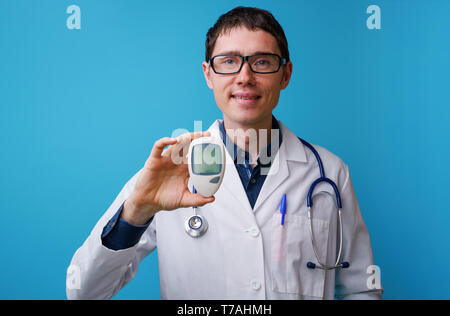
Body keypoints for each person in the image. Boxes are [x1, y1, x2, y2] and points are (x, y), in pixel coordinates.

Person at [66, 6, 383, 300]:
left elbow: (361, 290)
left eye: (261, 61)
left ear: (285, 74)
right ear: (208, 74)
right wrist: (135, 212)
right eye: (229, 61)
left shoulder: (328, 172)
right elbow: (83, 291)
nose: (245, 77)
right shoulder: (171, 167)